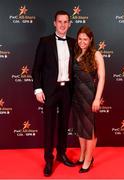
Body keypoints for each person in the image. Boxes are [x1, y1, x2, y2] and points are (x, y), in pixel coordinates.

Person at [32, 10, 75, 176]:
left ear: (69, 24)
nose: (63, 25)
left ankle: (61, 154)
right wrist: (38, 89)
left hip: (67, 91)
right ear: (54, 23)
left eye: (66, 22)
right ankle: (48, 159)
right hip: (50, 91)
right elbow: (36, 69)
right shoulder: (45, 41)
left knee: (64, 125)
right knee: (49, 126)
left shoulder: (73, 43)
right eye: (60, 21)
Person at [72, 26, 105, 173]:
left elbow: (102, 77)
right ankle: (82, 154)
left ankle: (88, 159)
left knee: (89, 128)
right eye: (80, 39)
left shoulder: (96, 54)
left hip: (89, 96)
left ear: (90, 39)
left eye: (85, 39)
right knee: (80, 128)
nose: (82, 41)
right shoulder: (76, 53)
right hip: (76, 96)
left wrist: (97, 99)